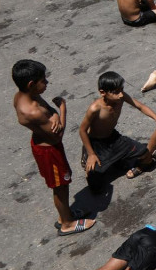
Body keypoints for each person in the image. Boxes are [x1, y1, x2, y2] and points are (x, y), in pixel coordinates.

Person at [11, 59, 94, 235]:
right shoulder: (33, 111)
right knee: (61, 186)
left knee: (61, 184)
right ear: (31, 84)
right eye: (43, 80)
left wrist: (54, 115)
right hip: (50, 151)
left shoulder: (23, 95)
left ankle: (66, 214)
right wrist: (62, 109)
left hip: (42, 142)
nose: (47, 83)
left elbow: (48, 112)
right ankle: (66, 223)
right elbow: (57, 136)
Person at [78, 71, 156, 186]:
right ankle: (88, 157)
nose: (121, 95)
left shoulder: (121, 97)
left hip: (113, 138)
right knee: (95, 183)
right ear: (103, 92)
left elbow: (140, 106)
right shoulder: (95, 108)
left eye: (121, 90)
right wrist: (91, 154)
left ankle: (121, 161)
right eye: (115, 92)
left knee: (145, 155)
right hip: (97, 144)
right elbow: (82, 130)